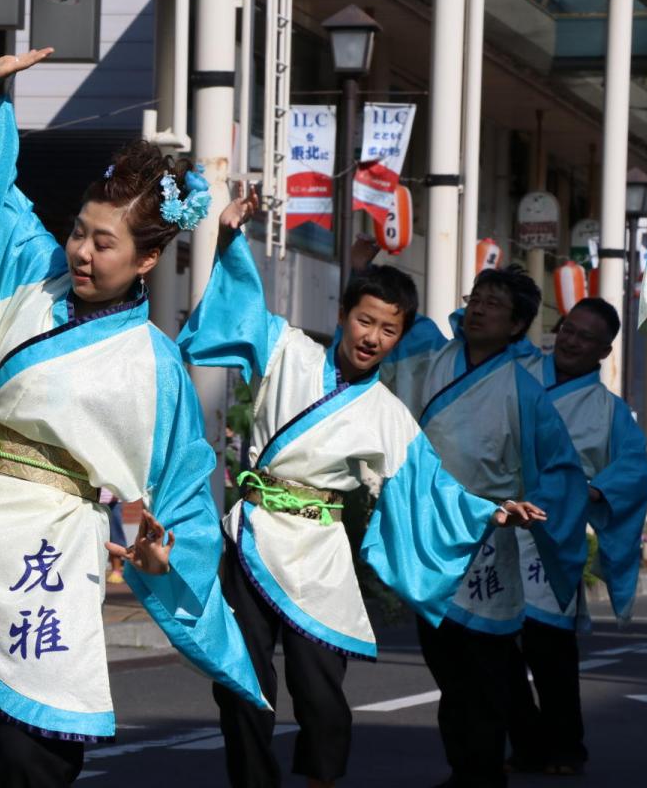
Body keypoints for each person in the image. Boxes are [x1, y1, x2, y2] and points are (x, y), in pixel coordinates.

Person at [0, 50, 264, 787]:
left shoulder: (154, 362)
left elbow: (182, 489)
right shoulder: (30, 270)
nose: (80, 250)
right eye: (79, 230)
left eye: (104, 242)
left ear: (147, 259)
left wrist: (163, 549)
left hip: (49, 554)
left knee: (30, 759)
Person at [177, 193, 545, 788]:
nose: (373, 336)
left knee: (321, 694)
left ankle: (321, 778)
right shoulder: (287, 349)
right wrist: (227, 239)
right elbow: (240, 304)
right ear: (345, 313)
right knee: (240, 681)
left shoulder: (388, 415)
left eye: (389, 329)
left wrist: (491, 509)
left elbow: (430, 485)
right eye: (365, 320)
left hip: (319, 552)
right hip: (251, 536)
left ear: (401, 337)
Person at [376, 265, 589, 788]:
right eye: (477, 297)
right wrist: (365, 268)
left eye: (495, 303)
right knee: (447, 666)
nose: (479, 308)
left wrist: (544, 515)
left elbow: (560, 468)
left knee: (487, 673)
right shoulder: (433, 353)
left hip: (488, 541)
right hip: (433, 533)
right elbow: (388, 322)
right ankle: (464, 767)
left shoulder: (525, 389)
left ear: (517, 325)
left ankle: (484, 771)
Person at [505, 298, 647, 776]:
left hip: (553, 537)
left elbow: (632, 471)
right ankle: (526, 742)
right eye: (568, 329)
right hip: (494, 524)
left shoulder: (609, 412)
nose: (570, 341)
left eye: (585, 337)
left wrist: (591, 489)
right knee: (492, 650)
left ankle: (567, 747)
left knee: (550, 652)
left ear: (604, 352)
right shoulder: (516, 367)